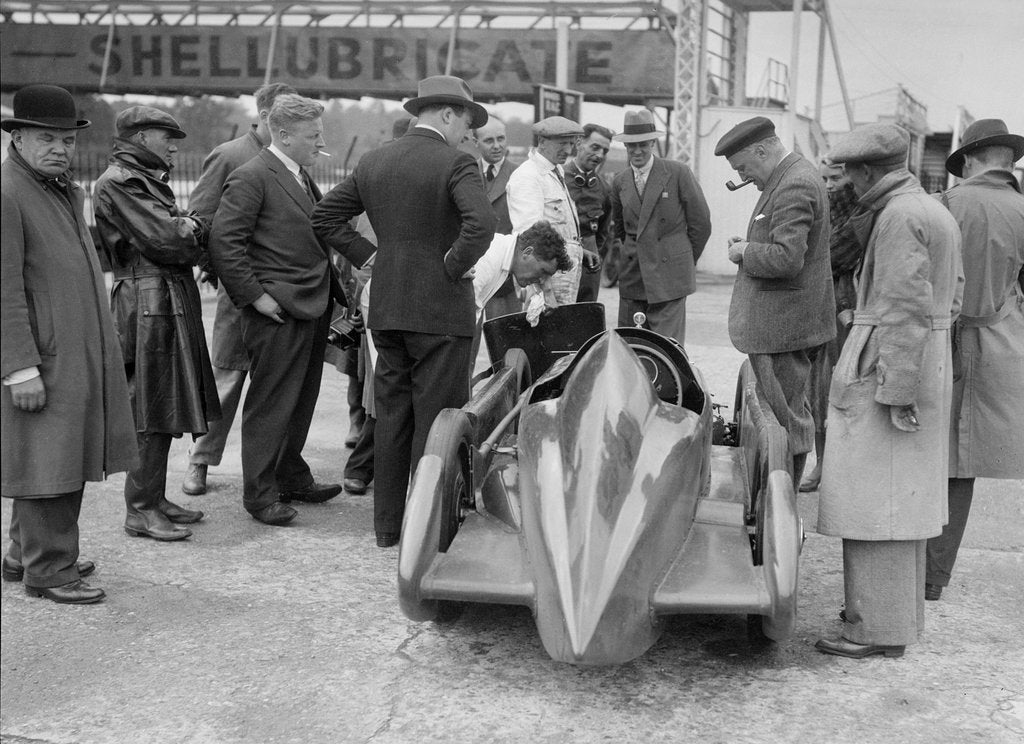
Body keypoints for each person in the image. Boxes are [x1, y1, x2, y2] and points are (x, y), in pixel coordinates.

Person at [312, 75, 495, 547]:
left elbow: (324, 216)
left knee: (391, 420)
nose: (466, 132)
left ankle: (387, 529)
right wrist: (450, 269)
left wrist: (371, 257)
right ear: (448, 114)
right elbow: (481, 226)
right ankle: (426, 529)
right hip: (440, 313)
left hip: (388, 309)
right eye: (467, 121)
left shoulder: (376, 160)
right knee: (436, 422)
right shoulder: (458, 162)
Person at [815, 123, 963, 659]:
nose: (848, 182)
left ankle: (874, 629)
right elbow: (951, 295)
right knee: (904, 502)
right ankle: (894, 620)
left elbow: (903, 308)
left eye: (849, 172)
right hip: (924, 359)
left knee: (876, 503)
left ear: (866, 170)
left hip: (893, 367)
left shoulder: (898, 217)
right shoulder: (930, 209)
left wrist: (897, 390)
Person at [1, 84, 138, 604]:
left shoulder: (54, 187)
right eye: (46, 138)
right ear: (17, 138)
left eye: (66, 139)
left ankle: (24, 554)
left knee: (52, 456)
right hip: (42, 357)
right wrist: (19, 368)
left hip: (68, 352)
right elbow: (3, 290)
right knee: (48, 463)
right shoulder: (9, 191)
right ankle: (50, 570)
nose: (60, 148)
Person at [209, 94, 345, 527]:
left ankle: (290, 475)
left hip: (308, 306)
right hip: (277, 311)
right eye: (313, 135)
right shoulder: (252, 176)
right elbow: (224, 244)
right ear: (282, 135)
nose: (320, 142)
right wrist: (255, 297)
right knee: (271, 403)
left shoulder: (298, 174)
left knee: (300, 400)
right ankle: (260, 495)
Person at [94, 106, 220, 542]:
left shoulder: (141, 180)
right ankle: (141, 509)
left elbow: (176, 237)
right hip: (147, 300)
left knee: (166, 401)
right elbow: (168, 239)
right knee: (150, 405)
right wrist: (193, 227)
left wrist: (186, 229)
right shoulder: (121, 181)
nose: (173, 144)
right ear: (142, 136)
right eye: (167, 136)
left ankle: (155, 497)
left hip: (163, 297)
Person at [180, 82, 297, 497]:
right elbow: (200, 220)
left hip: (281, 296)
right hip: (239, 295)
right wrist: (221, 274)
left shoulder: (291, 158)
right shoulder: (230, 155)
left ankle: (277, 471)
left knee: (276, 388)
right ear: (265, 116)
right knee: (227, 380)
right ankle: (200, 462)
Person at [925, 119, 1024, 601]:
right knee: (962, 465)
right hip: (998, 344)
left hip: (937, 340)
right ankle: (934, 577)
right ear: (1009, 161)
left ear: (967, 159)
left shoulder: (944, 204)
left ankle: (907, 568)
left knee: (922, 451)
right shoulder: (1023, 210)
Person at [715, 116, 835, 484]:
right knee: (783, 416)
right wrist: (750, 247)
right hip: (784, 324)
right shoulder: (793, 176)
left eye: (744, 168)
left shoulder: (794, 183)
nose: (745, 177)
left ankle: (782, 504)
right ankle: (779, 499)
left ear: (762, 149)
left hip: (782, 328)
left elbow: (787, 258)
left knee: (785, 420)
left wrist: (746, 252)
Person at [611, 110, 711, 341]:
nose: (637, 151)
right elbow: (620, 230)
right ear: (625, 147)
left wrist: (682, 259)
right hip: (633, 276)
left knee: (667, 349)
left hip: (669, 278)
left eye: (643, 144)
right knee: (631, 347)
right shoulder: (620, 181)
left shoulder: (677, 173)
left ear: (653, 143)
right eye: (631, 145)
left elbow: (701, 223)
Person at [800, 159, 867, 492]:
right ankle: (823, 464)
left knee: (836, 391)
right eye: (823, 178)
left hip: (847, 315)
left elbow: (828, 255)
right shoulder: (826, 214)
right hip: (821, 311)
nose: (827, 185)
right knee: (816, 392)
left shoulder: (862, 217)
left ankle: (835, 467)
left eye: (836, 178)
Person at [507, 116, 597, 306]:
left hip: (561, 279)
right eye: (562, 143)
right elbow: (530, 240)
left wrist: (578, 249)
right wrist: (546, 292)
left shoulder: (555, 172)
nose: (568, 150)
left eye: (572, 143)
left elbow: (557, 227)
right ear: (542, 141)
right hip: (545, 284)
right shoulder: (528, 177)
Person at [474, 115, 522, 318]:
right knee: (465, 343)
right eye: (489, 140)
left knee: (505, 337)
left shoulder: (520, 175)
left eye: (501, 139)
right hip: (472, 269)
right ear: (476, 143)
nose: (496, 146)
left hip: (505, 275)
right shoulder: (464, 172)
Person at [565, 124, 614, 303]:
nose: (600, 155)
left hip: (589, 266)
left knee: (586, 317)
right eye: (595, 147)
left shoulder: (603, 188)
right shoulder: (558, 178)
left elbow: (604, 232)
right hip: (559, 260)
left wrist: (593, 252)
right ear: (579, 143)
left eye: (605, 150)